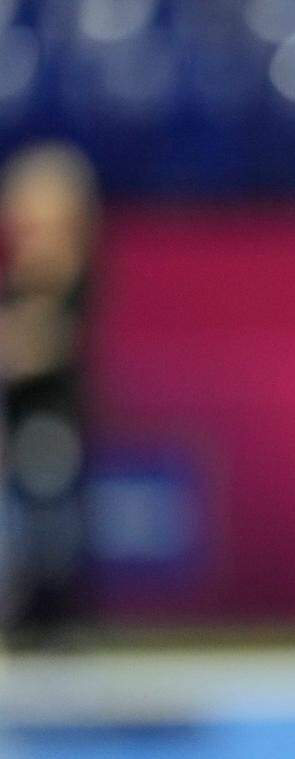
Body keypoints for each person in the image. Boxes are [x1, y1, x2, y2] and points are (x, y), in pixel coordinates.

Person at [0, 142, 96, 639]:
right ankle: (30, 615)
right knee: (22, 524)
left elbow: (43, 344)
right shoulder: (22, 275)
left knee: (49, 521)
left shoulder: (66, 268)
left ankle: (54, 618)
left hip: (51, 420)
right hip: (21, 420)